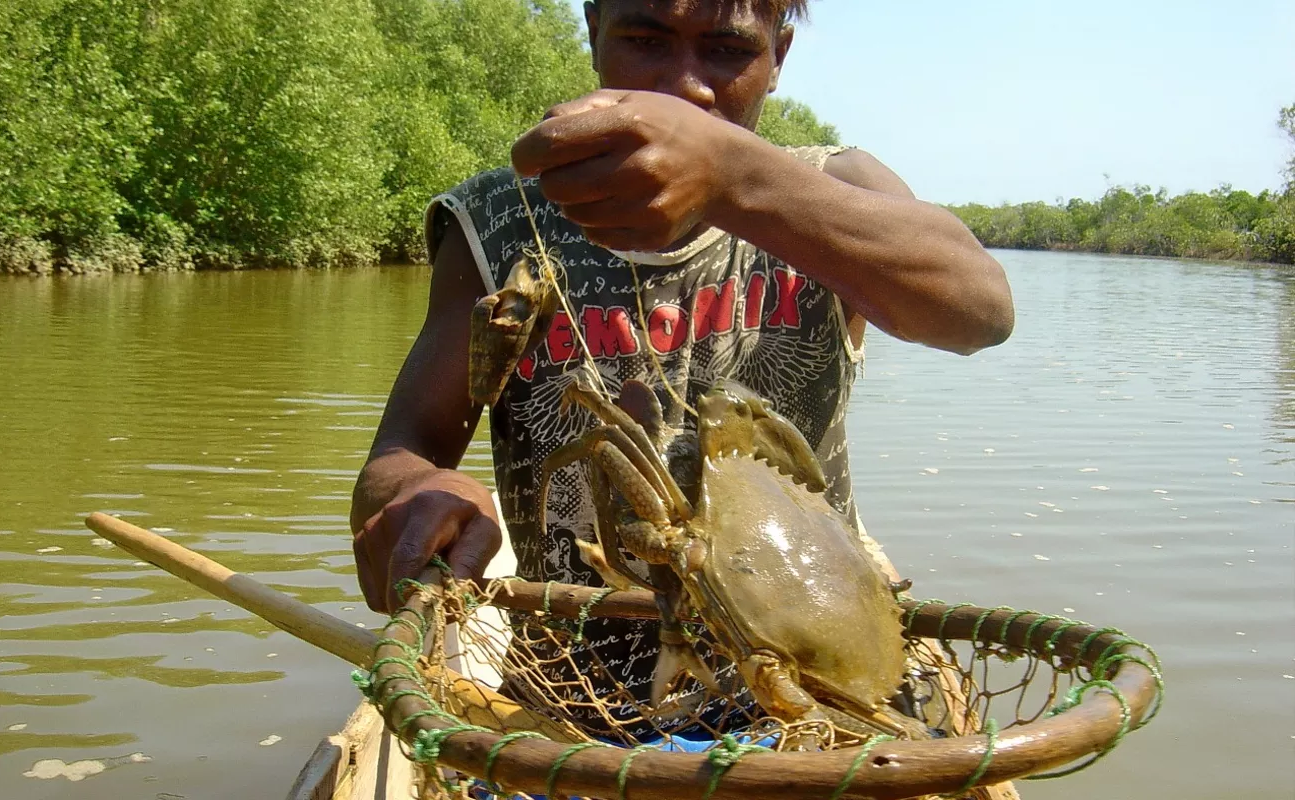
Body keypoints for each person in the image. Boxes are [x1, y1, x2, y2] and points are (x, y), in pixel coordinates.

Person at [350, 0, 1014, 734]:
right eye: (645, 40)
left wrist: (732, 175)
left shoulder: (835, 190)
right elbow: (405, 447)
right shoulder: (503, 221)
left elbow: (979, 312)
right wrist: (416, 494)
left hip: (830, 686)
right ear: (593, 30)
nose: (686, 87)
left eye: (727, 50)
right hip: (574, 701)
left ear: (779, 56)